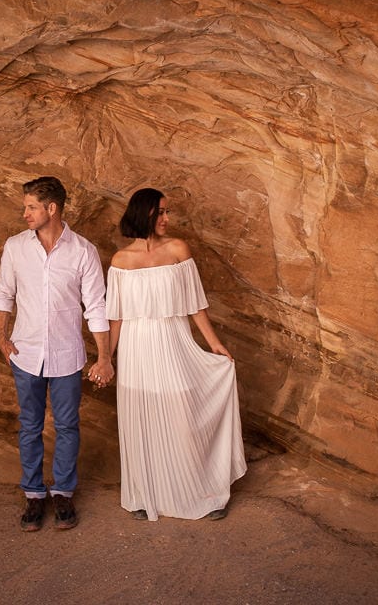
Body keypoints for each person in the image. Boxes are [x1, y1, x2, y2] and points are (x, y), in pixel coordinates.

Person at [106, 188, 247, 521]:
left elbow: (195, 304)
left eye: (168, 212)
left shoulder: (178, 250)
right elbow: (116, 317)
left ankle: (203, 491)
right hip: (135, 347)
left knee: (183, 413)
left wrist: (213, 343)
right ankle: (144, 493)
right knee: (140, 415)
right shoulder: (120, 260)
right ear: (145, 214)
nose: (167, 219)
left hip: (172, 338)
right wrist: (106, 357)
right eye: (161, 213)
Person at [0, 176, 115, 532]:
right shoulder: (15, 247)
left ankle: (62, 492)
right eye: (25, 206)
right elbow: (4, 294)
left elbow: (96, 307)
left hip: (66, 355)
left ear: (52, 208)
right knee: (29, 426)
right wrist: (2, 337)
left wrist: (104, 357)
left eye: (31, 206)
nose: (25, 212)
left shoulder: (83, 251)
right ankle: (33, 495)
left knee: (67, 425)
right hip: (25, 353)